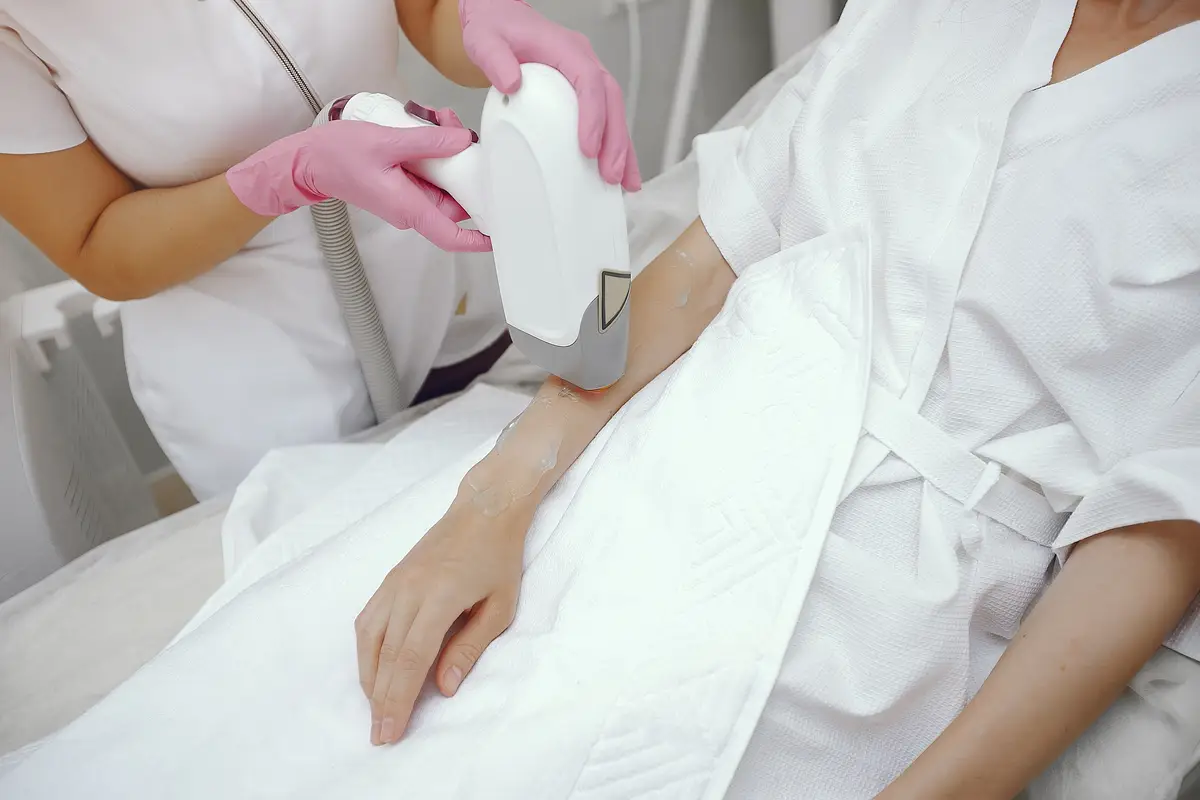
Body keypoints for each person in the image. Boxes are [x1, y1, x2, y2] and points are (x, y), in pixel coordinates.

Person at [350, 0, 1200, 796]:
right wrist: (489, 506)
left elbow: (1150, 533)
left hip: (865, 621)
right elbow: (701, 263)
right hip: (648, 468)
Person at [0, 0, 639, 500]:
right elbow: (94, 240)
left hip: (434, 284)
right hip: (262, 380)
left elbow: (430, 11)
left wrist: (492, 22)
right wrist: (280, 177)